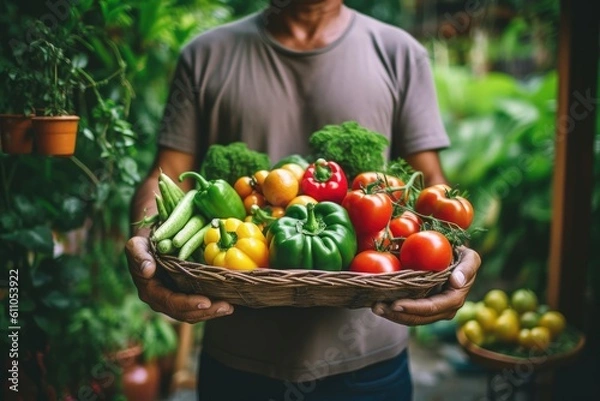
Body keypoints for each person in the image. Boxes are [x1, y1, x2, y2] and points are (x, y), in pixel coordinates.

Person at [125, 1, 482, 400]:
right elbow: (166, 175)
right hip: (239, 361)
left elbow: (432, 185)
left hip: (369, 361)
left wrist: (455, 256)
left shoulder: (400, 53)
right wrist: (145, 240)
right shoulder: (205, 54)